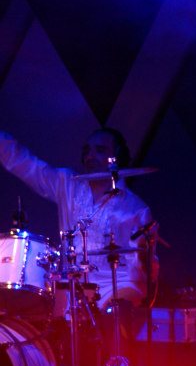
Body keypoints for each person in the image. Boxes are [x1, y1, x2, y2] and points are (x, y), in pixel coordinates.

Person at [0, 128, 157, 311]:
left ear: (118, 156)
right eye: (87, 151)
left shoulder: (136, 209)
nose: (90, 156)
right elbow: (26, 164)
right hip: (71, 290)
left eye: (100, 150)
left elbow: (143, 272)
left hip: (117, 289)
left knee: (117, 313)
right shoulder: (68, 184)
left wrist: (130, 296)